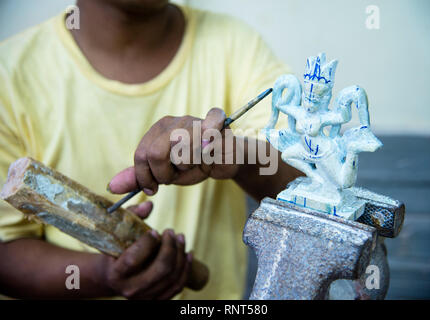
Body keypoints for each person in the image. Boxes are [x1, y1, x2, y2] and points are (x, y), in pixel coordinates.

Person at [0, 0, 301, 299]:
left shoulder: (235, 45)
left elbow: (310, 190)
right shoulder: (9, 73)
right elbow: (6, 252)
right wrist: (100, 275)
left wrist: (239, 156)